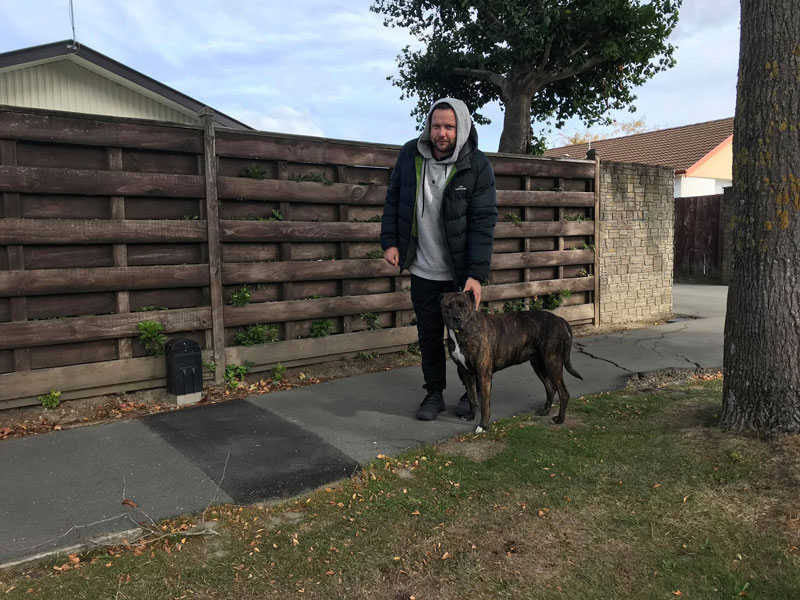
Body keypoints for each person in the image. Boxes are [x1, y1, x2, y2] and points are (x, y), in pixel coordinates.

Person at [381, 97, 498, 421]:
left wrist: (475, 274)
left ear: (460, 128)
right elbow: (394, 200)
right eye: (436, 126)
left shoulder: (477, 165)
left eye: (449, 126)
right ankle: (434, 394)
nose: (441, 133)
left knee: (470, 337)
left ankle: (469, 392)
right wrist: (390, 242)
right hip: (422, 269)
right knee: (429, 335)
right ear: (428, 127)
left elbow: (483, 221)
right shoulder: (410, 155)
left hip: (459, 277)